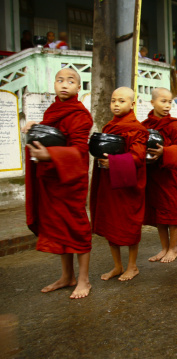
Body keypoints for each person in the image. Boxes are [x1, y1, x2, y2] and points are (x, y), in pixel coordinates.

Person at [22, 68, 93, 299]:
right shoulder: (53, 110)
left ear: (78, 88)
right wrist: (34, 128)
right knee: (60, 229)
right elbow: (51, 136)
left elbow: (80, 151)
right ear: (54, 84)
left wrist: (50, 155)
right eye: (60, 80)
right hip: (53, 180)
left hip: (71, 179)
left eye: (70, 81)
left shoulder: (81, 114)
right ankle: (67, 276)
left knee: (77, 228)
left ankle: (84, 280)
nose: (64, 84)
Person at [90, 87, 149, 281]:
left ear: (132, 104)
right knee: (110, 225)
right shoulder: (109, 127)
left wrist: (113, 162)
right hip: (110, 184)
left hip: (128, 185)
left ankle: (132, 266)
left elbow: (138, 157)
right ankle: (117, 266)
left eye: (121, 101)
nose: (116, 104)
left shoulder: (138, 129)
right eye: (113, 100)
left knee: (130, 225)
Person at [141, 88, 177, 263]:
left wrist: (164, 152)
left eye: (169, 102)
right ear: (152, 103)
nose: (167, 106)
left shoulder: (174, 125)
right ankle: (164, 248)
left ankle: (173, 249)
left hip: (170, 175)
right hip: (154, 175)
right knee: (159, 214)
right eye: (163, 101)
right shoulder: (144, 126)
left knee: (171, 214)